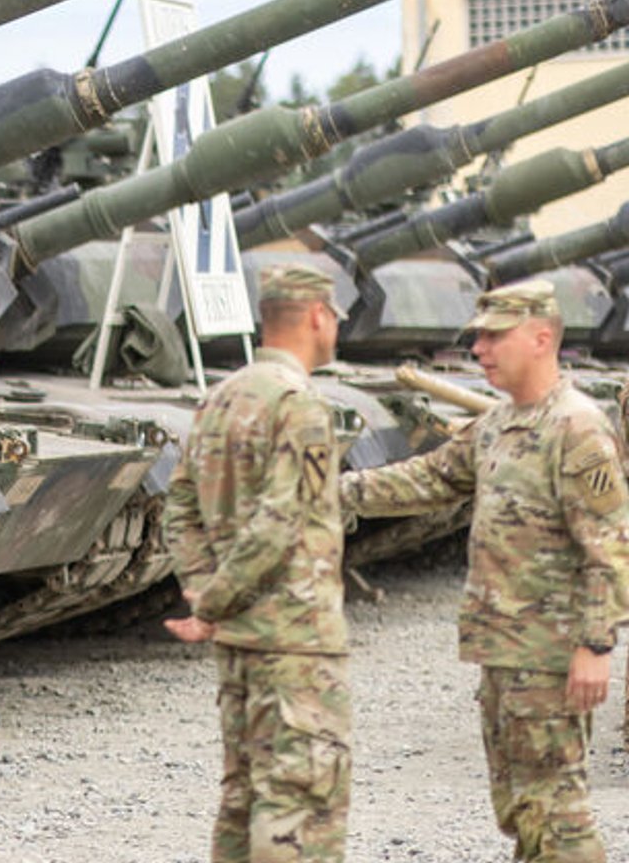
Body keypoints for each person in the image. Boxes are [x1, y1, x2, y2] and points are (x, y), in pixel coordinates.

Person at [343, 280, 629, 862]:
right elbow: (429, 478)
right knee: (522, 809)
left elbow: (609, 544)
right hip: (501, 650)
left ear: (542, 337)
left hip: (549, 654)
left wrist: (595, 644)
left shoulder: (578, 429)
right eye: (478, 338)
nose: (480, 350)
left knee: (559, 816)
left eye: (496, 336)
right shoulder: (499, 423)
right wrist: (334, 491)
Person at [164, 262, 350, 863]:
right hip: (295, 640)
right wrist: (214, 602)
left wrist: (204, 593)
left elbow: (181, 507)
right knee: (299, 802)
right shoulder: (300, 405)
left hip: (239, 640)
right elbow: (281, 521)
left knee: (242, 800)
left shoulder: (220, 398)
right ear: (318, 316)